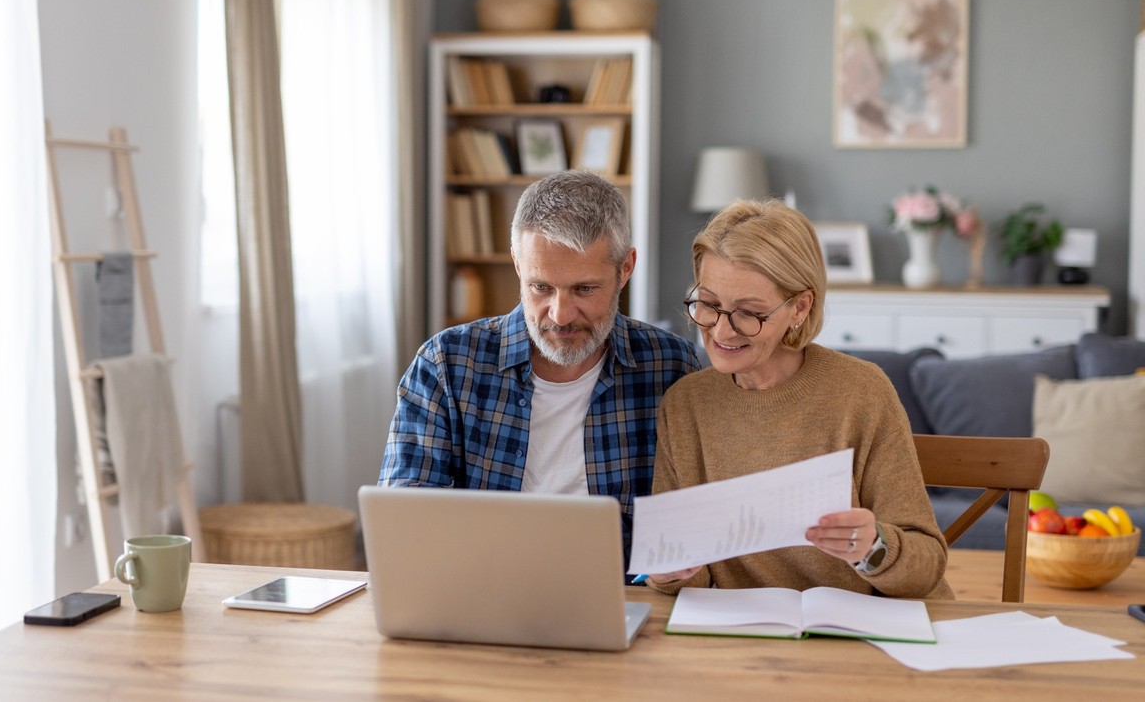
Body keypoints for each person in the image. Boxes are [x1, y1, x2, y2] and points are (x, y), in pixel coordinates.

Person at [379, 170, 701, 564]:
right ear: (517, 264)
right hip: (482, 592)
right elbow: (405, 518)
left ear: (625, 268)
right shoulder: (446, 364)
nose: (561, 315)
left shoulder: (671, 367)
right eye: (541, 287)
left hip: (623, 597)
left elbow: (693, 512)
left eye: (584, 289)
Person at [646, 198, 952, 599]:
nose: (721, 331)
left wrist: (873, 548)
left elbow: (925, 563)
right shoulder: (686, 404)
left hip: (856, 635)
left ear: (799, 307)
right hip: (742, 637)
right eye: (708, 305)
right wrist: (671, 571)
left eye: (748, 313)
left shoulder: (862, 392)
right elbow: (687, 579)